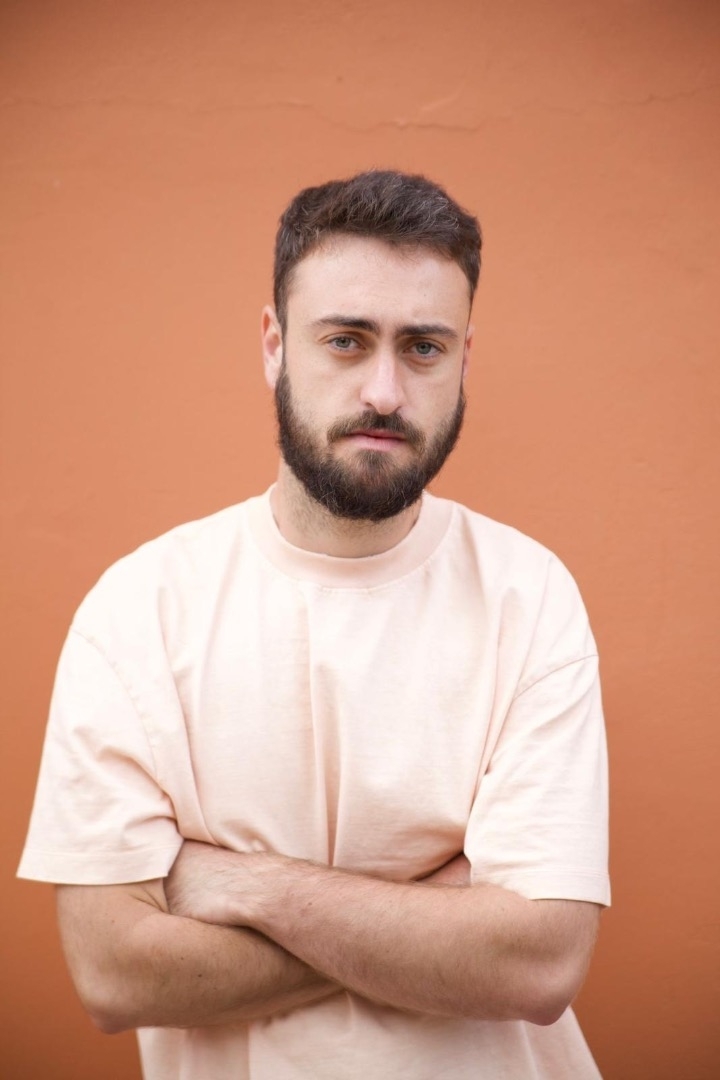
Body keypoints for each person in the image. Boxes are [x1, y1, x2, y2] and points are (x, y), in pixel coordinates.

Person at [19, 169, 610, 1079]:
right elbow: (113, 972)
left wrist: (237, 882)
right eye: (345, 340)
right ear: (274, 345)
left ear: (464, 361)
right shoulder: (138, 611)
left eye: (423, 348)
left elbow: (537, 966)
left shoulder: (529, 598)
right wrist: (435, 918)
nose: (385, 391)